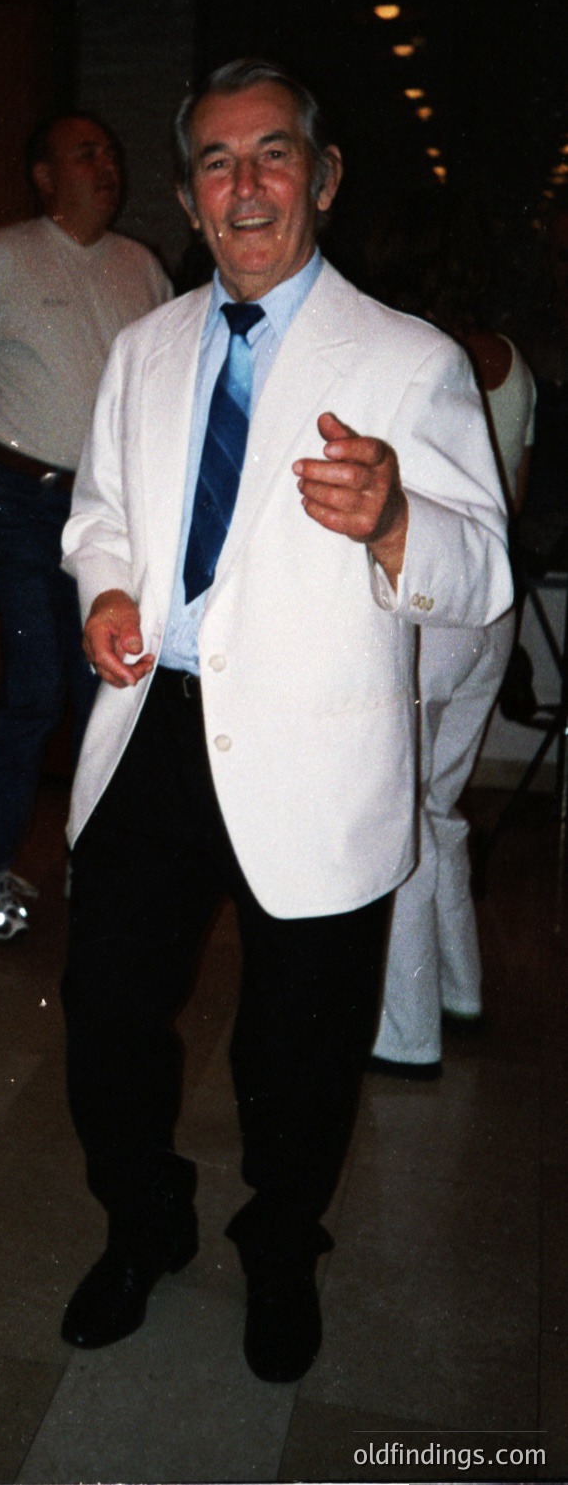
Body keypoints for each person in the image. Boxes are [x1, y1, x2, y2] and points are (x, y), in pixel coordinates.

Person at [58, 60, 512, 1383]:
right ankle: (142, 1228)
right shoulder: (141, 348)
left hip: (314, 749)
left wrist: (391, 521)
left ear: (318, 178)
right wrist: (101, 591)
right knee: (104, 1021)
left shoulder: (406, 359)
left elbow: (477, 573)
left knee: (297, 1050)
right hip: (152, 726)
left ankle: (277, 1250)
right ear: (189, 197)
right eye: (214, 160)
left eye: (270, 155)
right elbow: (100, 512)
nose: (243, 182)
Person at [0, 114, 171, 939]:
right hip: (21, 498)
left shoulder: (141, 266)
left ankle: (94, 855)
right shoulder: (0, 259)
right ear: (41, 175)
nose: (107, 164)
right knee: (36, 685)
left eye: (110, 150)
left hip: (118, 509)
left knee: (114, 685)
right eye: (84, 153)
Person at [363, 189, 537, 1076]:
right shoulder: (513, 364)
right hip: (492, 607)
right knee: (440, 811)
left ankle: (404, 1030)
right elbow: (507, 499)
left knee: (401, 816)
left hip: (433, 611)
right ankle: (459, 990)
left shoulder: (409, 359)